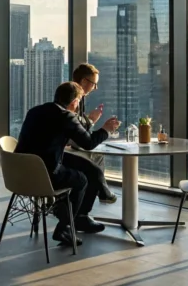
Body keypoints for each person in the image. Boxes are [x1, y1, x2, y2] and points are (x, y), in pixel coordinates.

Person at [15, 82, 120, 246]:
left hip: (20, 170)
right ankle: (65, 225)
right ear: (74, 102)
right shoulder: (66, 116)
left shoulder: (35, 111)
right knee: (81, 180)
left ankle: (82, 207)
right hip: (44, 174)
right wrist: (106, 129)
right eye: (78, 101)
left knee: (89, 167)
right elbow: (89, 143)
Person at [67, 63, 117, 204]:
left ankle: (102, 191)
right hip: (60, 153)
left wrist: (90, 120)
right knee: (93, 161)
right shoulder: (73, 100)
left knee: (97, 157)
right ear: (83, 81)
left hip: (38, 159)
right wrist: (103, 127)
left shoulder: (69, 96)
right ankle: (99, 194)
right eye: (94, 84)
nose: (95, 88)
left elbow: (76, 126)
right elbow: (82, 138)